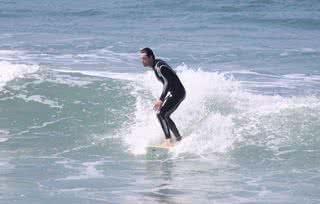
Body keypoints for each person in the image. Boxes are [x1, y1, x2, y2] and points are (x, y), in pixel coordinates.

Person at [140, 47, 186, 147]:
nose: (142, 61)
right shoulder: (156, 66)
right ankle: (178, 138)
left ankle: (168, 141)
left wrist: (161, 100)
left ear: (151, 57)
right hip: (174, 93)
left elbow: (167, 82)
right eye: (141, 59)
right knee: (163, 114)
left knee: (162, 114)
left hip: (178, 93)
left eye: (144, 58)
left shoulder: (159, 67)